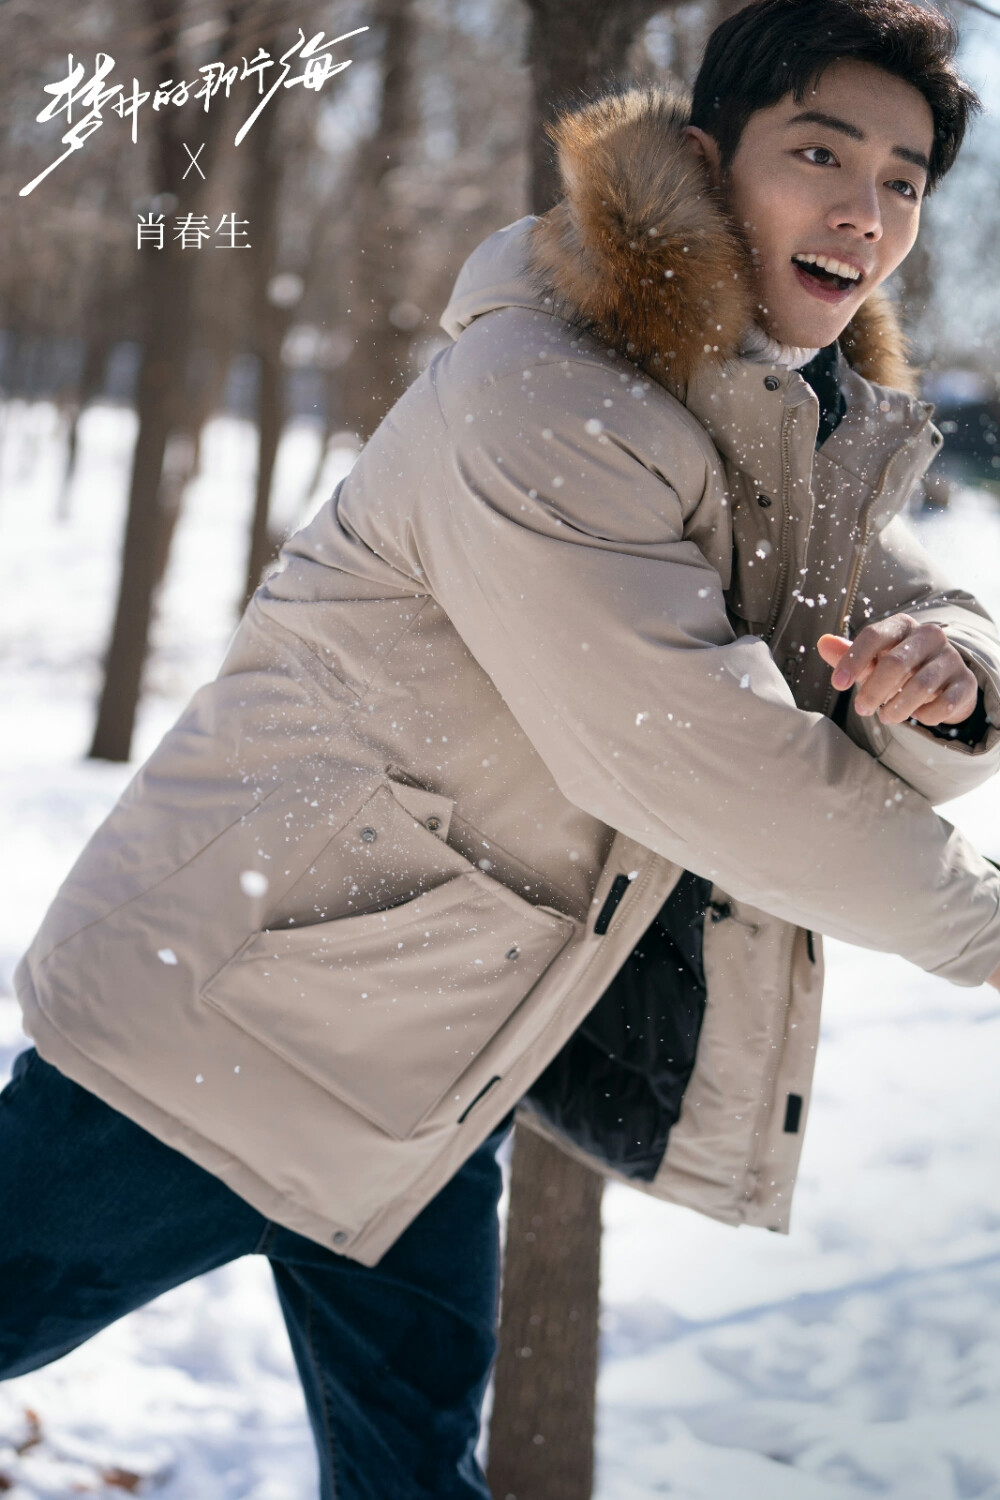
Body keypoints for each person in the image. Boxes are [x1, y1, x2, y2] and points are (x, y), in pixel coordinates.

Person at [4, 0, 1000, 1494]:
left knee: (410, 1478)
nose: (867, 212)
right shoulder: (546, 394)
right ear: (712, 157)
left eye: (907, 181)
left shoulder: (773, 415)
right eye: (820, 154)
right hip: (208, 1032)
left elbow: (891, 601)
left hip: (432, 1066)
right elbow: (696, 760)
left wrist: (963, 671)